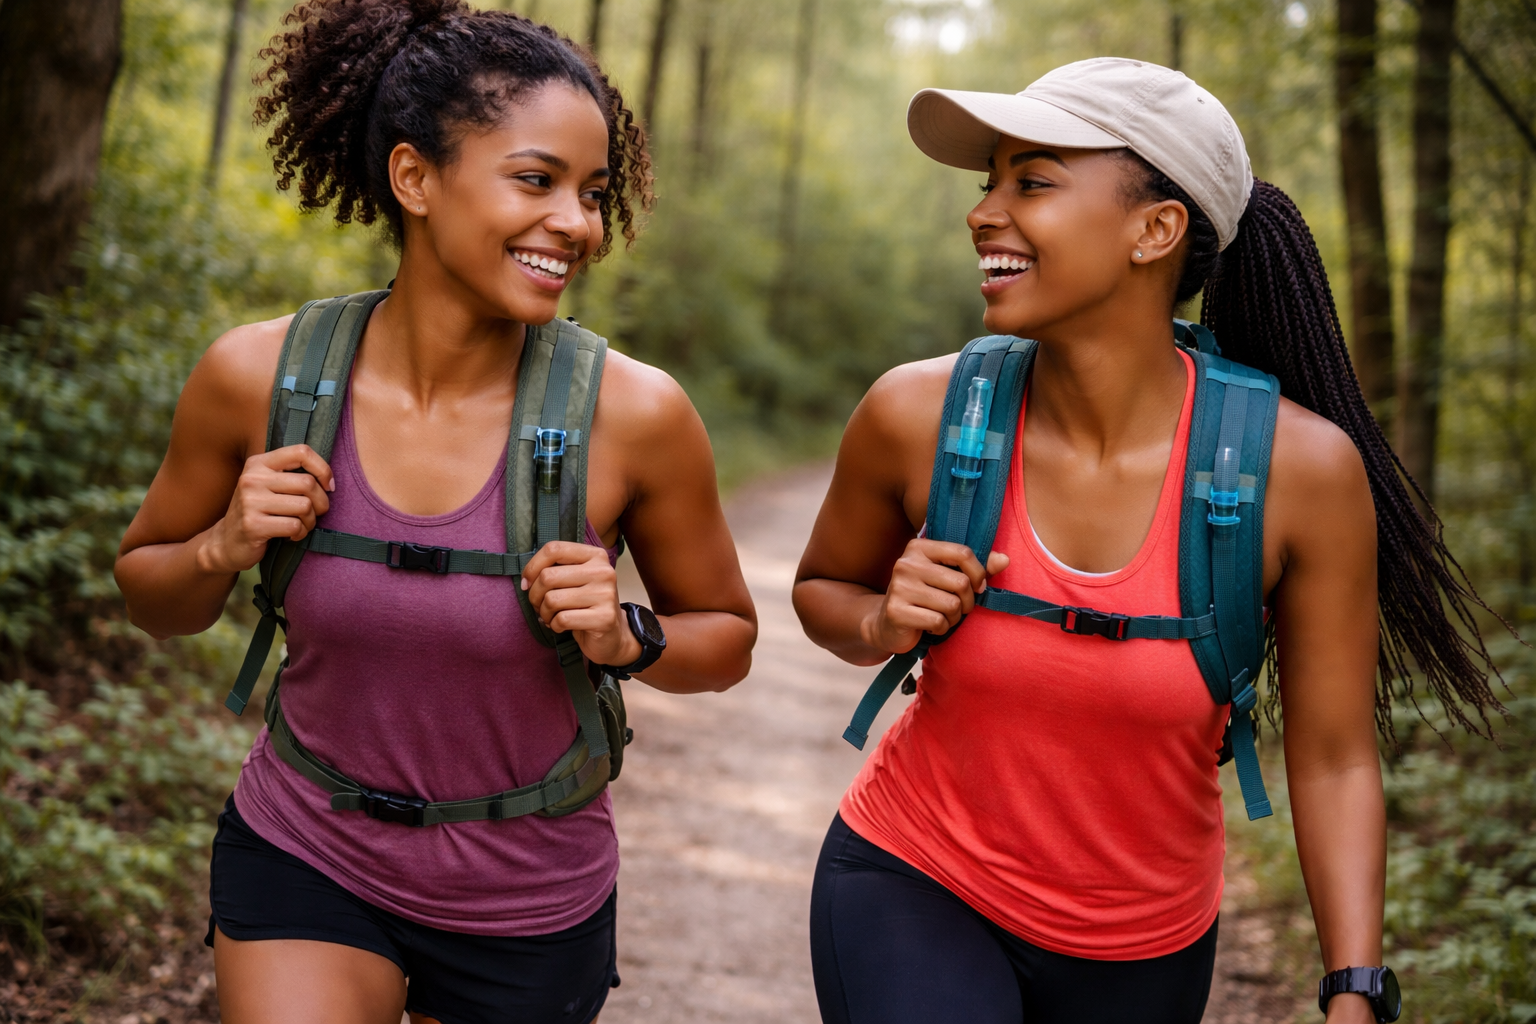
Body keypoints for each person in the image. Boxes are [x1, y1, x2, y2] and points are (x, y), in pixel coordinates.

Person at [795, 58, 1501, 1024]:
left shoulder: (1300, 472)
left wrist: (1355, 987)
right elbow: (822, 593)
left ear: (1155, 230)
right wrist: (881, 615)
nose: (984, 212)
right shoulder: (917, 413)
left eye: (1031, 182)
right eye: (986, 183)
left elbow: (1333, 756)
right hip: (914, 879)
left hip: (1145, 946)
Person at [114, 3, 757, 1022]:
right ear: (415, 178)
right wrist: (221, 544)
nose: (579, 224)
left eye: (593, 194)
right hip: (308, 848)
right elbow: (152, 595)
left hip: (529, 892)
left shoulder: (637, 415)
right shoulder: (258, 376)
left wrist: (625, 632)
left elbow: (725, 640)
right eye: (536, 180)